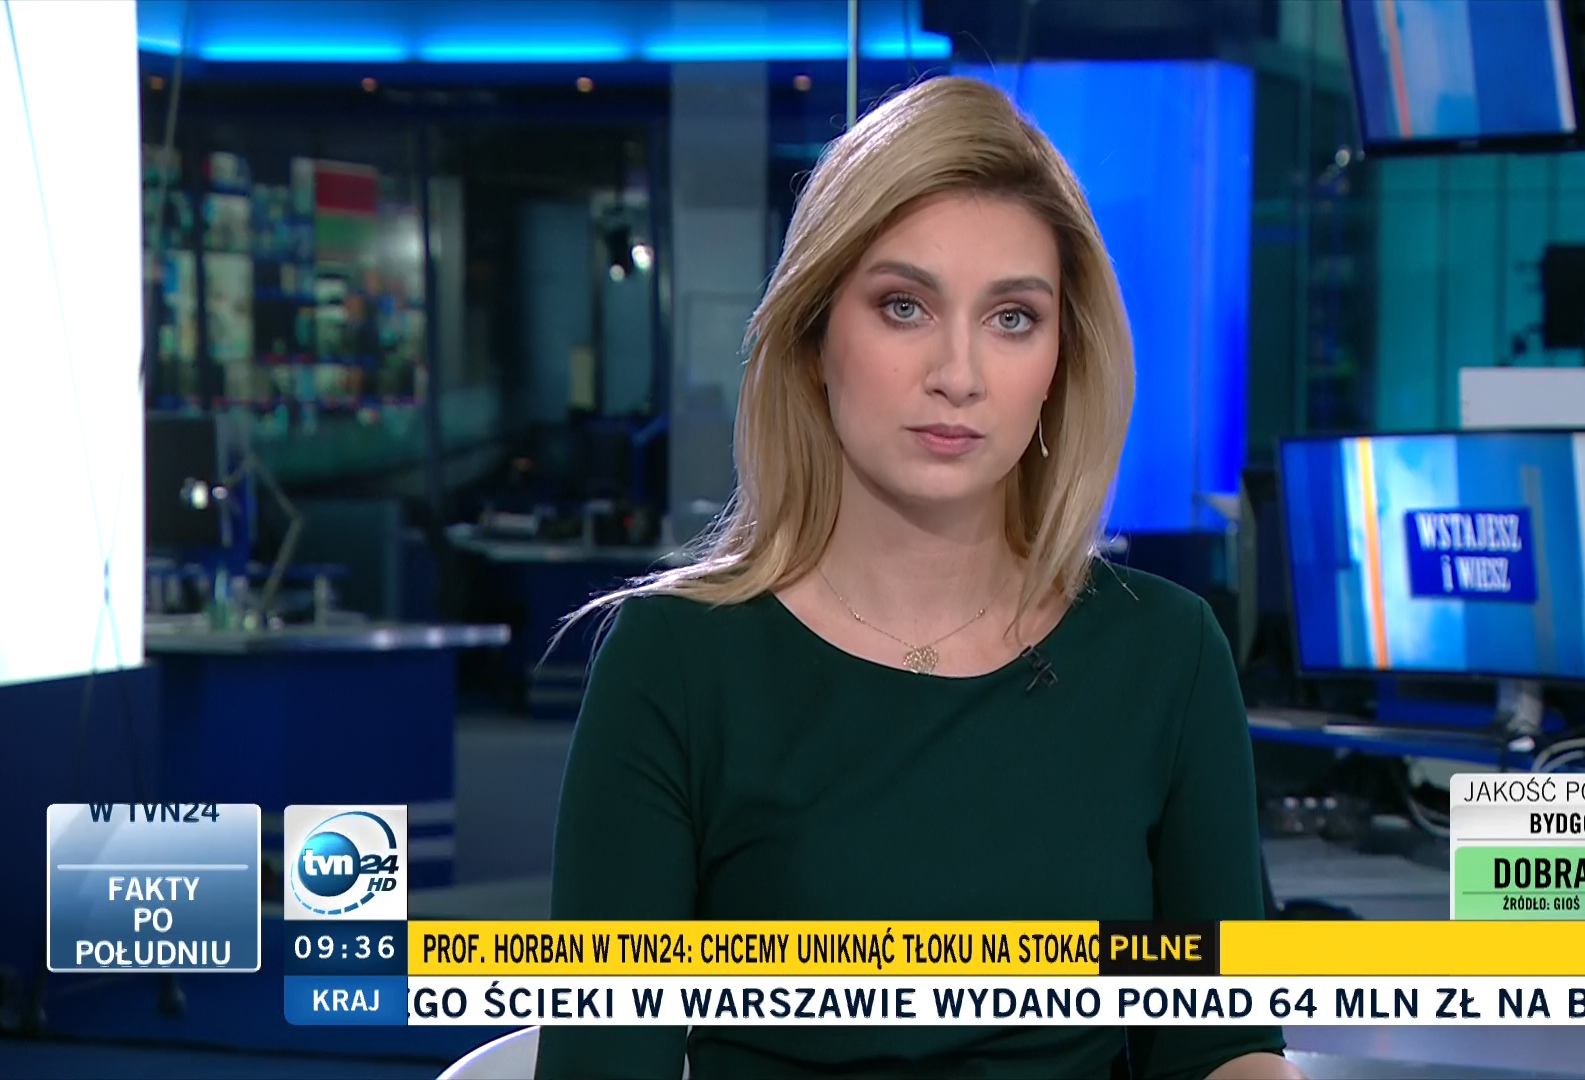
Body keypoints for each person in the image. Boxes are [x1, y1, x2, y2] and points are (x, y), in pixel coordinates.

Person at [537, 75, 1301, 1080]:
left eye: (1012, 318)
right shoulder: (676, 662)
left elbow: (1224, 1048)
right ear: (814, 336)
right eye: (904, 307)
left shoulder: (1166, 655)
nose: (959, 374)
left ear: (1061, 360)